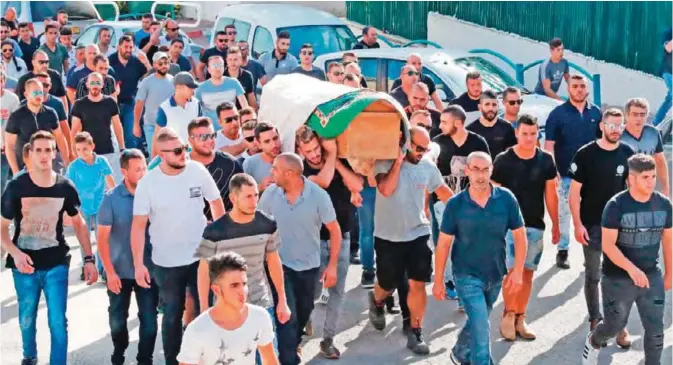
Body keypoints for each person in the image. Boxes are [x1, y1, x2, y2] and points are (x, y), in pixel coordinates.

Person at [1, 131, 98, 365]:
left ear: (55, 153)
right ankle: (30, 356)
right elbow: (2, 227)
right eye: (39, 150)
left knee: (57, 320)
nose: (44, 155)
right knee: (26, 317)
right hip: (24, 265)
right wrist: (15, 253)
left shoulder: (65, 186)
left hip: (56, 262)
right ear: (30, 154)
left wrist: (89, 259)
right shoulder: (16, 187)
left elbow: (79, 221)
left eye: (49, 150)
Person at [131, 128, 224, 365]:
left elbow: (215, 202)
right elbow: (139, 226)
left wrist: (220, 242)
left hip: (200, 257)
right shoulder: (148, 184)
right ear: (162, 155)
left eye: (185, 148)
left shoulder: (197, 170)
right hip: (166, 262)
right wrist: (138, 264)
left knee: (208, 310)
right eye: (178, 151)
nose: (184, 154)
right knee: (172, 315)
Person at [434, 151, 527, 365]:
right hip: (466, 275)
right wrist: (439, 279)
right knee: (482, 329)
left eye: (485, 170)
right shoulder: (456, 204)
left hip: (495, 274)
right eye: (475, 169)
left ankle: (460, 351)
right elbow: (444, 243)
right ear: (467, 171)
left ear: (491, 171)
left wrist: (518, 271)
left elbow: (520, 235)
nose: (480, 175)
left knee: (478, 321)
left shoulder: (505, 198)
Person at [368, 126, 453, 354]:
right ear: (405, 143)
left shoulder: (427, 165)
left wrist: (466, 213)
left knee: (417, 283)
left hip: (418, 233)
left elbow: (443, 191)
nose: (421, 153)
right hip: (388, 237)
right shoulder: (384, 161)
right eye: (417, 148)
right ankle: (377, 300)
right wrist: (397, 161)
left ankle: (416, 331)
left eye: (425, 149)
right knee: (388, 283)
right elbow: (385, 189)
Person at [581, 154, 672, 365]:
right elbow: (608, 246)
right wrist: (632, 270)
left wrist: (670, 273)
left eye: (653, 176)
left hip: (651, 275)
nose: (652, 182)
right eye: (646, 177)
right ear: (631, 178)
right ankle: (594, 341)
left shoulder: (664, 204)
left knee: (656, 331)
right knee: (613, 326)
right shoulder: (615, 205)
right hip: (617, 278)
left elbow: (668, 240)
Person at [258, 152, 341, 365]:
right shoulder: (269, 195)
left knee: (304, 312)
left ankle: (292, 344)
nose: (271, 172)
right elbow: (258, 228)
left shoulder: (318, 196)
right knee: (287, 317)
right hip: (278, 266)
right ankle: (288, 358)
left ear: (290, 173)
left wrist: (332, 267)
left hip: (309, 266)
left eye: (275, 169)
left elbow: (335, 230)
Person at [569, 108, 635, 346]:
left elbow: (633, 190)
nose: (615, 130)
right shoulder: (585, 154)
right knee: (594, 275)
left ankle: (619, 326)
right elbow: (574, 194)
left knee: (620, 277)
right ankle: (596, 320)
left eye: (620, 126)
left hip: (620, 228)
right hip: (592, 226)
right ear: (602, 126)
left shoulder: (628, 153)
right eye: (611, 125)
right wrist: (577, 225)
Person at [295, 126, 363, 358]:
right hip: (312, 240)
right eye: (308, 151)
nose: (314, 154)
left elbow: (358, 185)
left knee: (337, 291)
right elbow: (322, 181)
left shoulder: (339, 162)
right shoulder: (300, 170)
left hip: (341, 237)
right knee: (311, 291)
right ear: (299, 151)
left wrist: (338, 161)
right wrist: (331, 155)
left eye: (316, 148)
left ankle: (328, 340)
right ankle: (303, 325)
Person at [492, 114, 559, 341]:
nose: (529, 138)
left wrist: (556, 224)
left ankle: (521, 317)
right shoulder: (503, 160)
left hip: (534, 225)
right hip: (508, 228)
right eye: (524, 134)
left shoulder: (546, 160)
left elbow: (550, 194)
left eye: (533, 134)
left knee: (528, 274)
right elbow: (494, 196)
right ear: (516, 133)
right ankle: (508, 315)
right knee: (513, 273)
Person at [97, 148, 159, 365]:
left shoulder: (154, 194)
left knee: (150, 321)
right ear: (124, 172)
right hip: (119, 271)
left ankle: (145, 359)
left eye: (144, 168)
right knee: (117, 321)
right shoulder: (111, 199)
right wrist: (109, 272)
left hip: (149, 270)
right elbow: (102, 239)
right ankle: (119, 350)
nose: (143, 173)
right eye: (137, 170)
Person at [178, 252, 279, 365]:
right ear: (216, 290)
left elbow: (270, 360)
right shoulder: (197, 329)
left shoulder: (260, 316)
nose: (242, 291)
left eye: (244, 283)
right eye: (234, 285)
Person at [544, 74, 602, 269]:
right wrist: (553, 172)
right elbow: (549, 146)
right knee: (564, 215)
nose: (579, 89)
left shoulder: (596, 113)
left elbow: (602, 143)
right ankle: (563, 251)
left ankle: (591, 254)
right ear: (568, 89)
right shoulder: (558, 114)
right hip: (566, 174)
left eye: (582, 86)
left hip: (592, 176)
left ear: (587, 89)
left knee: (591, 215)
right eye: (575, 86)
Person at [432, 105, 489, 301]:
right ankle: (449, 280)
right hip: (443, 203)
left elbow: (488, 170)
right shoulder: (437, 144)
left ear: (458, 123)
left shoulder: (477, 142)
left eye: (444, 122)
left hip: (472, 201)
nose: (440, 126)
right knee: (448, 241)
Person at [65, 131, 115, 280]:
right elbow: (69, 186)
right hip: (81, 208)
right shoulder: (74, 167)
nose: (82, 153)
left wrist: (114, 199)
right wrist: (70, 208)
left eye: (85, 149)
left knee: (102, 238)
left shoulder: (101, 162)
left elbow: (110, 181)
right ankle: (87, 265)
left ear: (92, 146)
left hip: (100, 205)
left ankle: (102, 267)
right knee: (84, 238)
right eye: (78, 150)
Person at [5, 78, 69, 174]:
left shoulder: (51, 113)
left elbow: (60, 138)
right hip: (24, 168)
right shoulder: (16, 116)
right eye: (35, 93)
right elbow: (9, 146)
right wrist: (16, 171)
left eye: (41, 93)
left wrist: (67, 162)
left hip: (47, 166)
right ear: (26, 95)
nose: (39, 96)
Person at [70, 72, 125, 183]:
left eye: (98, 82)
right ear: (87, 85)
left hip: (108, 149)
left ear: (102, 85)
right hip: (87, 152)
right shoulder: (79, 104)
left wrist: (122, 147)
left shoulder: (110, 102)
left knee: (110, 184)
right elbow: (74, 131)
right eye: (92, 83)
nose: (95, 85)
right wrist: (74, 152)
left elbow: (117, 125)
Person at [187, 117, 243, 214]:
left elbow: (242, 200)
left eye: (212, 135)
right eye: (204, 137)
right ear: (191, 140)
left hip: (224, 225)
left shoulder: (231, 164)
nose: (210, 141)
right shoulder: (182, 167)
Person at [621, 97, 670, 196]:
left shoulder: (653, 133)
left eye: (642, 115)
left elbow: (660, 161)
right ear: (626, 115)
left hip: (646, 188)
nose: (639, 118)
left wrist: (665, 188)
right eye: (635, 114)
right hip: (622, 189)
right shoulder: (618, 135)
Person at [110, 35, 148, 150]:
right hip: (113, 104)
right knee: (114, 136)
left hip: (130, 103)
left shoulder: (136, 61)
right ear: (119, 47)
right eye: (126, 47)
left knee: (130, 136)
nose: (128, 50)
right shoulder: (110, 61)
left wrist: (146, 62)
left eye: (131, 47)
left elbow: (148, 76)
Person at [133, 52, 175, 154]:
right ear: (154, 65)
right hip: (151, 125)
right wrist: (136, 125)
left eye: (166, 63)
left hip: (171, 125)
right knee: (155, 157)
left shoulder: (173, 80)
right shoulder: (146, 82)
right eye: (160, 64)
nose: (164, 66)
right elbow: (139, 104)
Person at [154, 72, 202, 156]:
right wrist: (155, 160)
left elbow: (201, 129)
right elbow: (157, 137)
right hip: (174, 155)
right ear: (178, 87)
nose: (193, 91)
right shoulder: (164, 108)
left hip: (194, 154)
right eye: (190, 88)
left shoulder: (196, 103)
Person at [196, 55, 247, 129]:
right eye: (215, 65)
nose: (218, 68)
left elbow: (244, 105)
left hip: (232, 127)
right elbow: (196, 110)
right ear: (209, 69)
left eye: (220, 65)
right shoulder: (200, 88)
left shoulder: (234, 82)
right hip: (211, 130)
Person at [35, 72, 71, 173]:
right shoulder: (25, 104)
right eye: (40, 84)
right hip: (34, 152)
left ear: (50, 86)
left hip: (54, 151)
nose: (42, 88)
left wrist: (69, 153)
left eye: (46, 85)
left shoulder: (56, 103)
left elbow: (65, 129)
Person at [467, 90, 517, 158]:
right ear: (480, 107)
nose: (491, 108)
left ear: (498, 106)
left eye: (494, 105)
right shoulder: (470, 131)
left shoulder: (507, 128)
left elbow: (512, 156)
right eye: (487, 104)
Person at [242, 122, 281, 191]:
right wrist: (260, 187)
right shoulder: (250, 164)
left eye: (275, 138)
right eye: (267, 141)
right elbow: (244, 193)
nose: (274, 145)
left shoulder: (289, 159)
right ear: (259, 144)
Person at [0, 71, 20, 195]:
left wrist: (9, 145)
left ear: (4, 81)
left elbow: (16, 123)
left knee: (3, 181)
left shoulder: (12, 99)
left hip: (6, 147)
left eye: (0, 81)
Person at [653, 27, 672, 126]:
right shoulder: (668, 32)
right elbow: (668, 48)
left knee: (670, 98)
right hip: (668, 71)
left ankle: (656, 122)